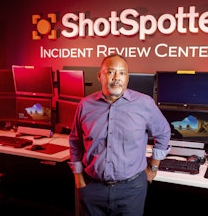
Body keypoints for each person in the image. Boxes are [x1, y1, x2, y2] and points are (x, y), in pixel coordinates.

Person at [68, 54, 171, 216]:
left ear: (128, 78)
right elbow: (75, 142)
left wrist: (153, 167)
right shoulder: (85, 105)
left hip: (131, 190)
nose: (117, 78)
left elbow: (163, 132)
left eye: (122, 73)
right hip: (92, 188)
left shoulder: (144, 104)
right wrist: (78, 176)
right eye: (111, 72)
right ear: (99, 76)